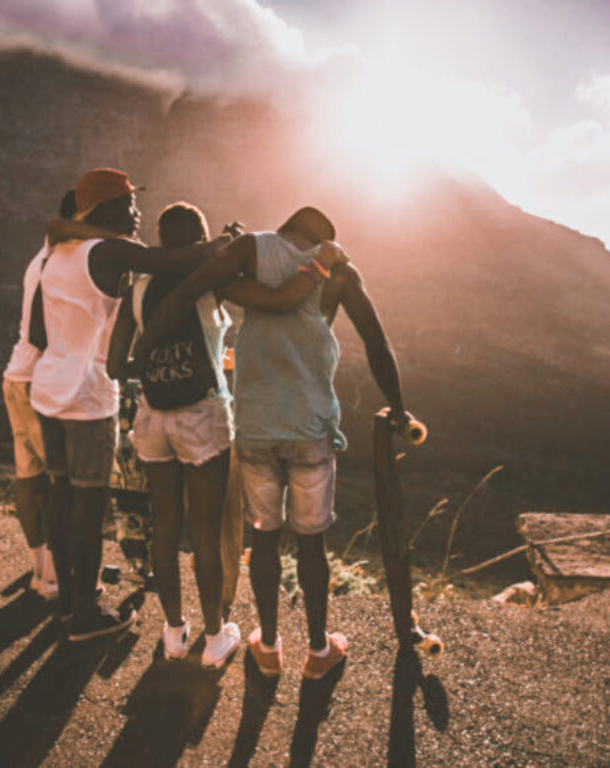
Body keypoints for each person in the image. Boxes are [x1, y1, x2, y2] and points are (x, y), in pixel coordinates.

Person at [133, 207, 411, 679]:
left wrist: (144, 348)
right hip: (308, 426)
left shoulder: (251, 252)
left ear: (284, 230)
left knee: (263, 537)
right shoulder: (337, 267)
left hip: (256, 425)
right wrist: (399, 407)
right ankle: (319, 650)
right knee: (311, 543)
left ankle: (267, 646)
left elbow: (200, 285)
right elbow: (376, 341)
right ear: (321, 239)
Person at [107, 202, 346, 668]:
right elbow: (277, 301)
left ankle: (174, 631)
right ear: (201, 243)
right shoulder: (210, 285)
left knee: (164, 523)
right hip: (202, 413)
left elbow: (116, 366)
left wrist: (150, 366)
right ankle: (215, 637)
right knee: (206, 528)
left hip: (153, 415)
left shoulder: (136, 288)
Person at [30, 168, 229, 642]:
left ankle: (66, 601)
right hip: (87, 396)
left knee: (60, 494)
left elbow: (39, 331)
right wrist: (229, 243)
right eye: (128, 203)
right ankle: (85, 615)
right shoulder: (110, 250)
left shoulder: (56, 253)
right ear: (104, 210)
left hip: (49, 388)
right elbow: (183, 260)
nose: (136, 211)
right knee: (89, 501)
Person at [1, 188, 76, 600]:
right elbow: (41, 332)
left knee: (29, 477)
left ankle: (40, 571)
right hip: (37, 382)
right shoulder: (60, 259)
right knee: (56, 482)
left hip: (17, 375)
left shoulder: (43, 255)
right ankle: (53, 577)